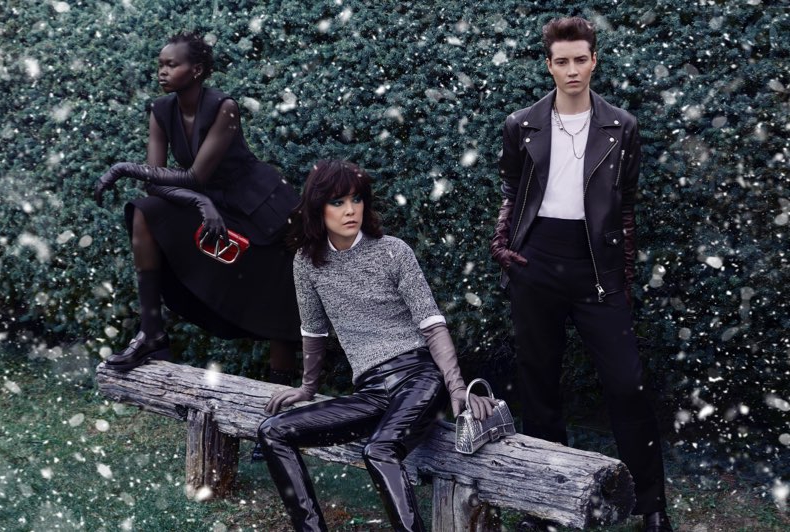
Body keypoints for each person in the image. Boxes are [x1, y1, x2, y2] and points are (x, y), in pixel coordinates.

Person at [489, 17, 673, 532]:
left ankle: (650, 507)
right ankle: (546, 506)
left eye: (580, 59)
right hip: (537, 261)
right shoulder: (521, 123)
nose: (572, 70)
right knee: (540, 385)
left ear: (595, 60)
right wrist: (503, 244)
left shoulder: (621, 126)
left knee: (627, 384)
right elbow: (512, 189)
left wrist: (622, 278)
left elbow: (627, 205)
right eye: (561, 61)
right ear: (548, 65)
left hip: (598, 266)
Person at [258, 160, 496, 532]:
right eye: (337, 202)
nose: (350, 210)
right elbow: (314, 330)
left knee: (379, 451)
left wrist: (454, 385)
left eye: (356, 199)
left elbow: (432, 324)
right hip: (370, 391)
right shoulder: (306, 262)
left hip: (419, 378)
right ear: (318, 207)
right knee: (273, 431)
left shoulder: (393, 251)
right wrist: (307, 387)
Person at [94, 32, 300, 385]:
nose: (161, 71)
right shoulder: (161, 111)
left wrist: (124, 167)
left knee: (281, 305)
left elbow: (195, 174)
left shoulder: (224, 108)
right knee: (145, 210)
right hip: (213, 203)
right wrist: (200, 202)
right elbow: (155, 182)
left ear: (198, 70)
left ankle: (280, 394)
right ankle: (152, 334)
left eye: (171, 65)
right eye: (160, 64)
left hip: (264, 209)